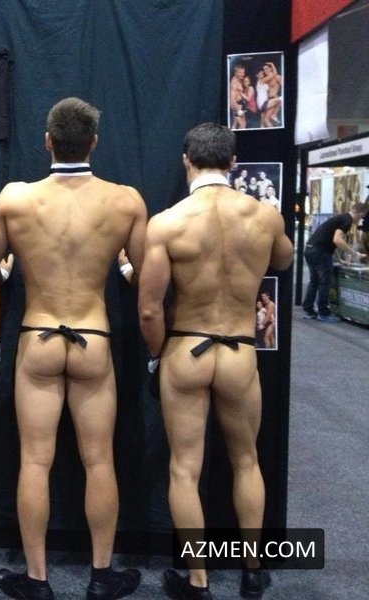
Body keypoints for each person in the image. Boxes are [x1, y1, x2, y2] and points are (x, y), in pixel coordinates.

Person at [0, 97, 147, 600]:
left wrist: (7, 270)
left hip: (37, 336)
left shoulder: (13, 199)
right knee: (99, 461)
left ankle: (37, 579)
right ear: (93, 142)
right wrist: (124, 267)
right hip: (92, 339)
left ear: (48, 141)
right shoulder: (125, 201)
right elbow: (145, 280)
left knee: (35, 462)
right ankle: (101, 576)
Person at [138, 123, 294, 599]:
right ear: (233, 163)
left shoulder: (168, 222)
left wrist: (156, 357)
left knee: (185, 469)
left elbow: (149, 309)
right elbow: (284, 261)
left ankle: (198, 580)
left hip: (186, 348)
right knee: (246, 461)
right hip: (239, 351)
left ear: (186, 161)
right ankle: (252, 572)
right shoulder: (264, 216)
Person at [301, 203, 367, 322]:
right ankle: (323, 312)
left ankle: (309, 310)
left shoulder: (340, 218)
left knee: (314, 281)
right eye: (362, 217)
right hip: (320, 252)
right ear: (360, 213)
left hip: (310, 249)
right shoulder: (347, 220)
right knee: (324, 282)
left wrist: (340, 259)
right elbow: (337, 240)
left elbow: (332, 243)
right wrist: (354, 254)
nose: (361, 220)